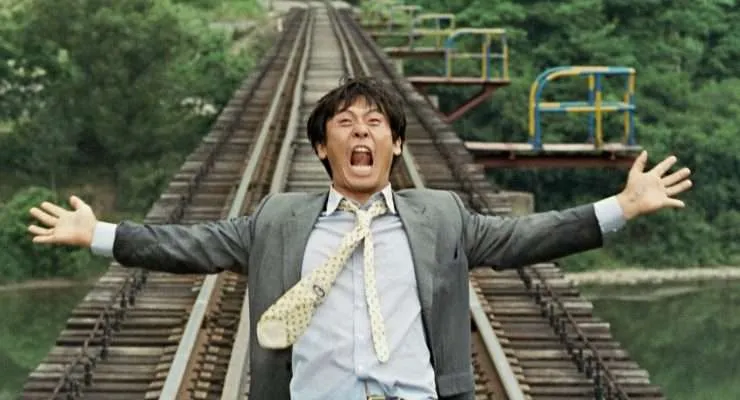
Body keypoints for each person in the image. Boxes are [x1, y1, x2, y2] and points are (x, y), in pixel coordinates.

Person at [27, 76, 692, 400]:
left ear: (396, 144)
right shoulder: (278, 220)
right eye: (345, 124)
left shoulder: (440, 216)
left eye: (376, 123)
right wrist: (99, 234)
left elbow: (526, 236)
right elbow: (189, 246)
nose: (361, 132)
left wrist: (620, 207)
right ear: (323, 147)